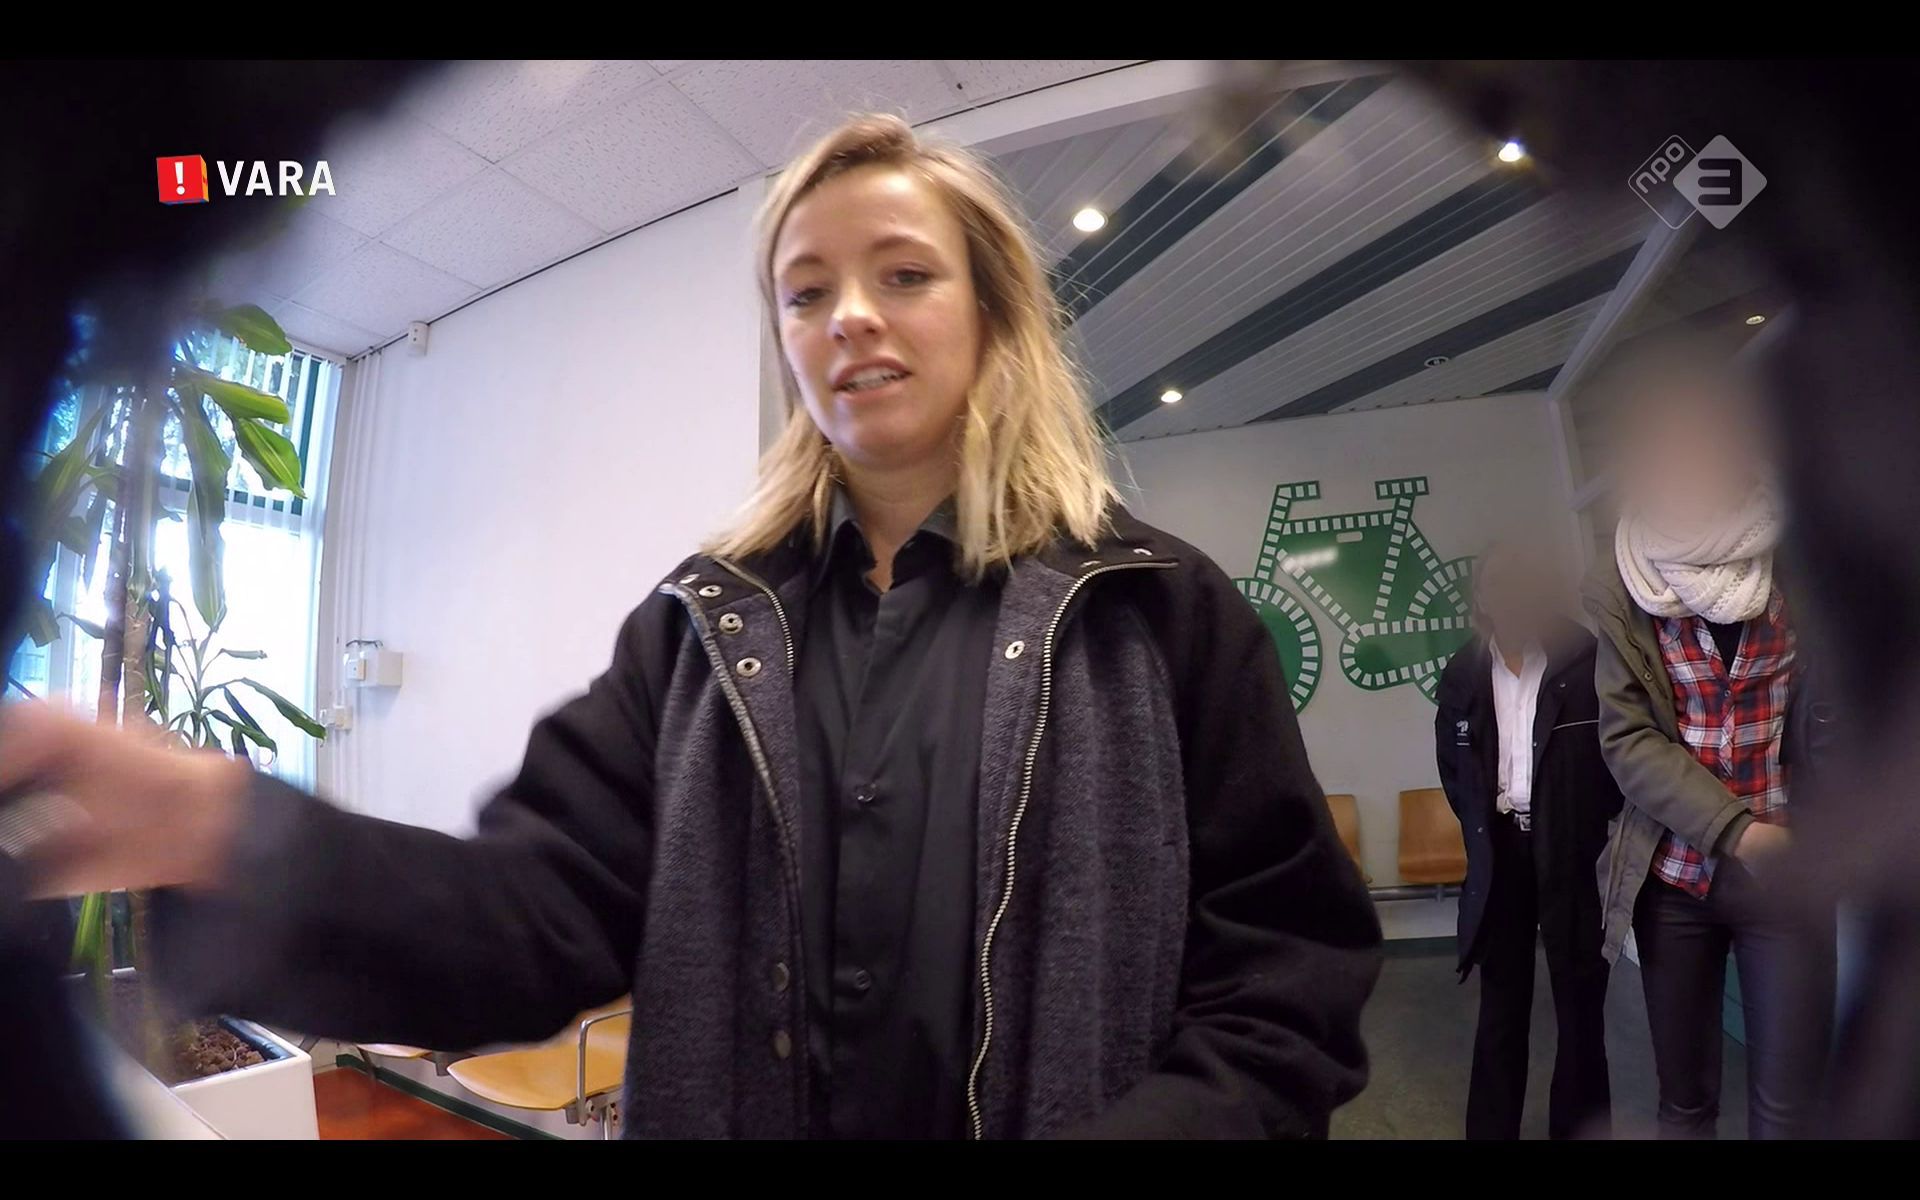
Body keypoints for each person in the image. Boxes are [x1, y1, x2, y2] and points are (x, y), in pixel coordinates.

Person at [0, 113, 1382, 1140]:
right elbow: (528, 917)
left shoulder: (1157, 613)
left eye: (904, 275)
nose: (849, 317)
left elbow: (1286, 989)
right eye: (806, 290)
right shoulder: (698, 637)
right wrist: (227, 831)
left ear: (994, 314)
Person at [1582, 341, 1834, 1139]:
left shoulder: (1798, 558)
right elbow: (1628, 740)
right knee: (1684, 1105)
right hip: (1675, 878)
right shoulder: (1622, 580)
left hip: (1790, 873)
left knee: (1789, 1106)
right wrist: (1739, 833)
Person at [1434, 540, 1620, 1140]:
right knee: (1501, 1008)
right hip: (1502, 856)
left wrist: (1588, 823)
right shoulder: (1463, 672)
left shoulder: (1586, 661)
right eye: (1499, 584)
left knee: (1580, 1007)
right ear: (1482, 598)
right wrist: (1482, 828)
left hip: (1571, 852)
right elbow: (1455, 770)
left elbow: (1616, 758)